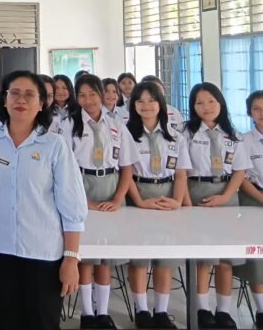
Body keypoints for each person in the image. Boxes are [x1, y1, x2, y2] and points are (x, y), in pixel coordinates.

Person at [0, 70, 87, 330]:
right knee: (8, 321)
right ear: (4, 100)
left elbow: (71, 206)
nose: (21, 99)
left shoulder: (55, 146)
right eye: (14, 93)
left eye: (29, 94)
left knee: (43, 322)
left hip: (43, 253)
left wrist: (71, 258)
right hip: (0, 251)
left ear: (41, 103)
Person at [68, 74, 138, 330]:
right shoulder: (69, 125)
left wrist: (118, 199)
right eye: (82, 95)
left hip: (110, 185)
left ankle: (103, 313)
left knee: (106, 255)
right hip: (80, 185)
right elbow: (63, 168)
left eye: (93, 94)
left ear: (102, 94)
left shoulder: (116, 124)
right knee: (86, 255)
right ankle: (87, 313)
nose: (88, 100)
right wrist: (83, 201)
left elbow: (127, 166)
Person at [183, 82, 249, 329]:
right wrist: (187, 204)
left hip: (227, 196)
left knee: (225, 258)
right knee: (203, 257)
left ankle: (223, 311)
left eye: (211, 101)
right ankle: (202, 309)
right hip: (197, 193)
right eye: (199, 102)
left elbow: (240, 171)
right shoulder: (186, 133)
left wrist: (225, 197)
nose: (206, 107)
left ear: (220, 103)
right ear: (193, 107)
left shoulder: (234, 134)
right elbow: (181, 171)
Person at [125, 81, 190, 330]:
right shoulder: (127, 135)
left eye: (152, 100)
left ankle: (161, 311)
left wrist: (177, 201)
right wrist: (140, 202)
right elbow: (125, 173)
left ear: (160, 104)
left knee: (165, 257)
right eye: (140, 101)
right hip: (138, 195)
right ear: (133, 105)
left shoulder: (175, 136)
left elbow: (181, 173)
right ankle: (142, 310)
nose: (146, 105)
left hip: (167, 195)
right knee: (139, 257)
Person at [237, 91, 263, 330]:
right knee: (257, 259)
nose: (262, 113)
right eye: (257, 109)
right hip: (255, 199)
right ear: (249, 113)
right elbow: (242, 177)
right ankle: (261, 309)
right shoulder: (243, 141)